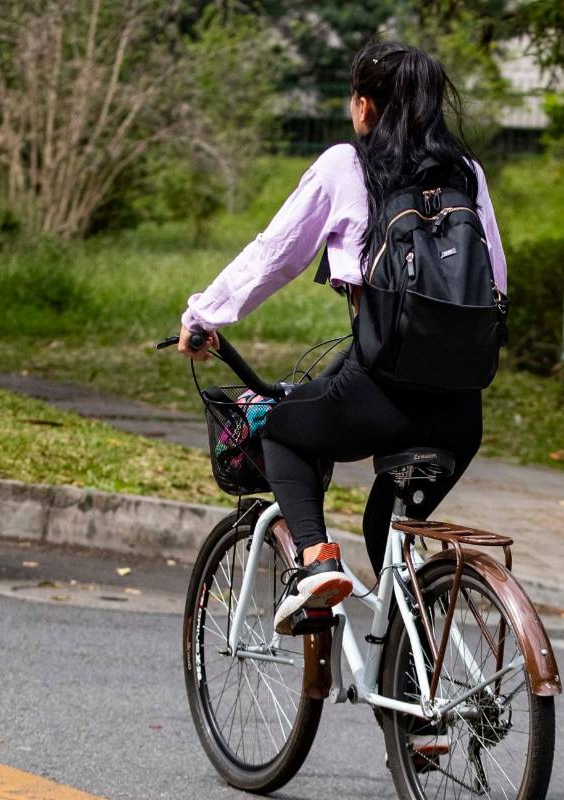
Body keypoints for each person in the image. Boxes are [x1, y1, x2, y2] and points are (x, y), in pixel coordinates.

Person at [177, 41, 506, 635]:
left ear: (362, 106)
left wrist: (204, 315)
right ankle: (413, 685)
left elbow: (272, 257)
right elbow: (494, 285)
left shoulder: (346, 166)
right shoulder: (467, 175)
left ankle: (315, 565)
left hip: (380, 398)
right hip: (461, 415)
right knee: (389, 525)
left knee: (279, 427)